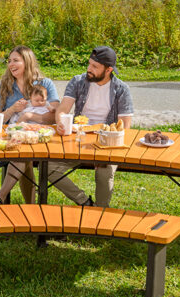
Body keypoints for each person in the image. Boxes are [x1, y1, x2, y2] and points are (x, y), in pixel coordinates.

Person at [49, 46, 134, 207]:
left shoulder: (122, 89)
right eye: (89, 64)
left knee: (103, 173)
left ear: (108, 70)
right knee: (48, 168)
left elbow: (125, 127)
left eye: (95, 67)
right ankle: (84, 202)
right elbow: (63, 109)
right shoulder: (78, 81)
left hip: (106, 143)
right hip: (78, 140)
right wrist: (61, 122)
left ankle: (100, 212)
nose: (89, 69)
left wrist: (102, 147)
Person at [0, 46, 60, 204]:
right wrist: (11, 110)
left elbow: (55, 115)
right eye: (9, 61)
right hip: (15, 137)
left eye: (16, 60)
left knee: (23, 156)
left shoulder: (45, 84)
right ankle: (28, 207)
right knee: (23, 156)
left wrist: (29, 116)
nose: (11, 64)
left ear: (27, 62)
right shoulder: (5, 86)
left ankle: (1, 198)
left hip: (41, 138)